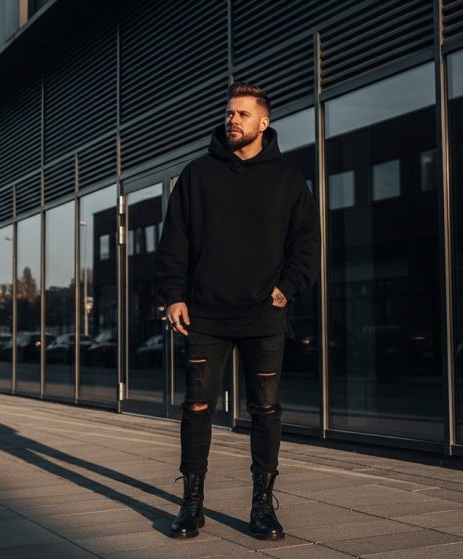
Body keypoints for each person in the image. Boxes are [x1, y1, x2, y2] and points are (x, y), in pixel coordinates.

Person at [155, 82, 320, 540]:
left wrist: (289, 287)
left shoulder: (287, 177)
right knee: (197, 406)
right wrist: (174, 294)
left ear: (263, 123)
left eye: (243, 114)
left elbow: (306, 240)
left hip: (263, 315)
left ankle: (262, 506)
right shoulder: (197, 175)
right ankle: (192, 505)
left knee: (265, 410)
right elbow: (175, 242)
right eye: (230, 113)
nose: (233, 120)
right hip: (205, 314)